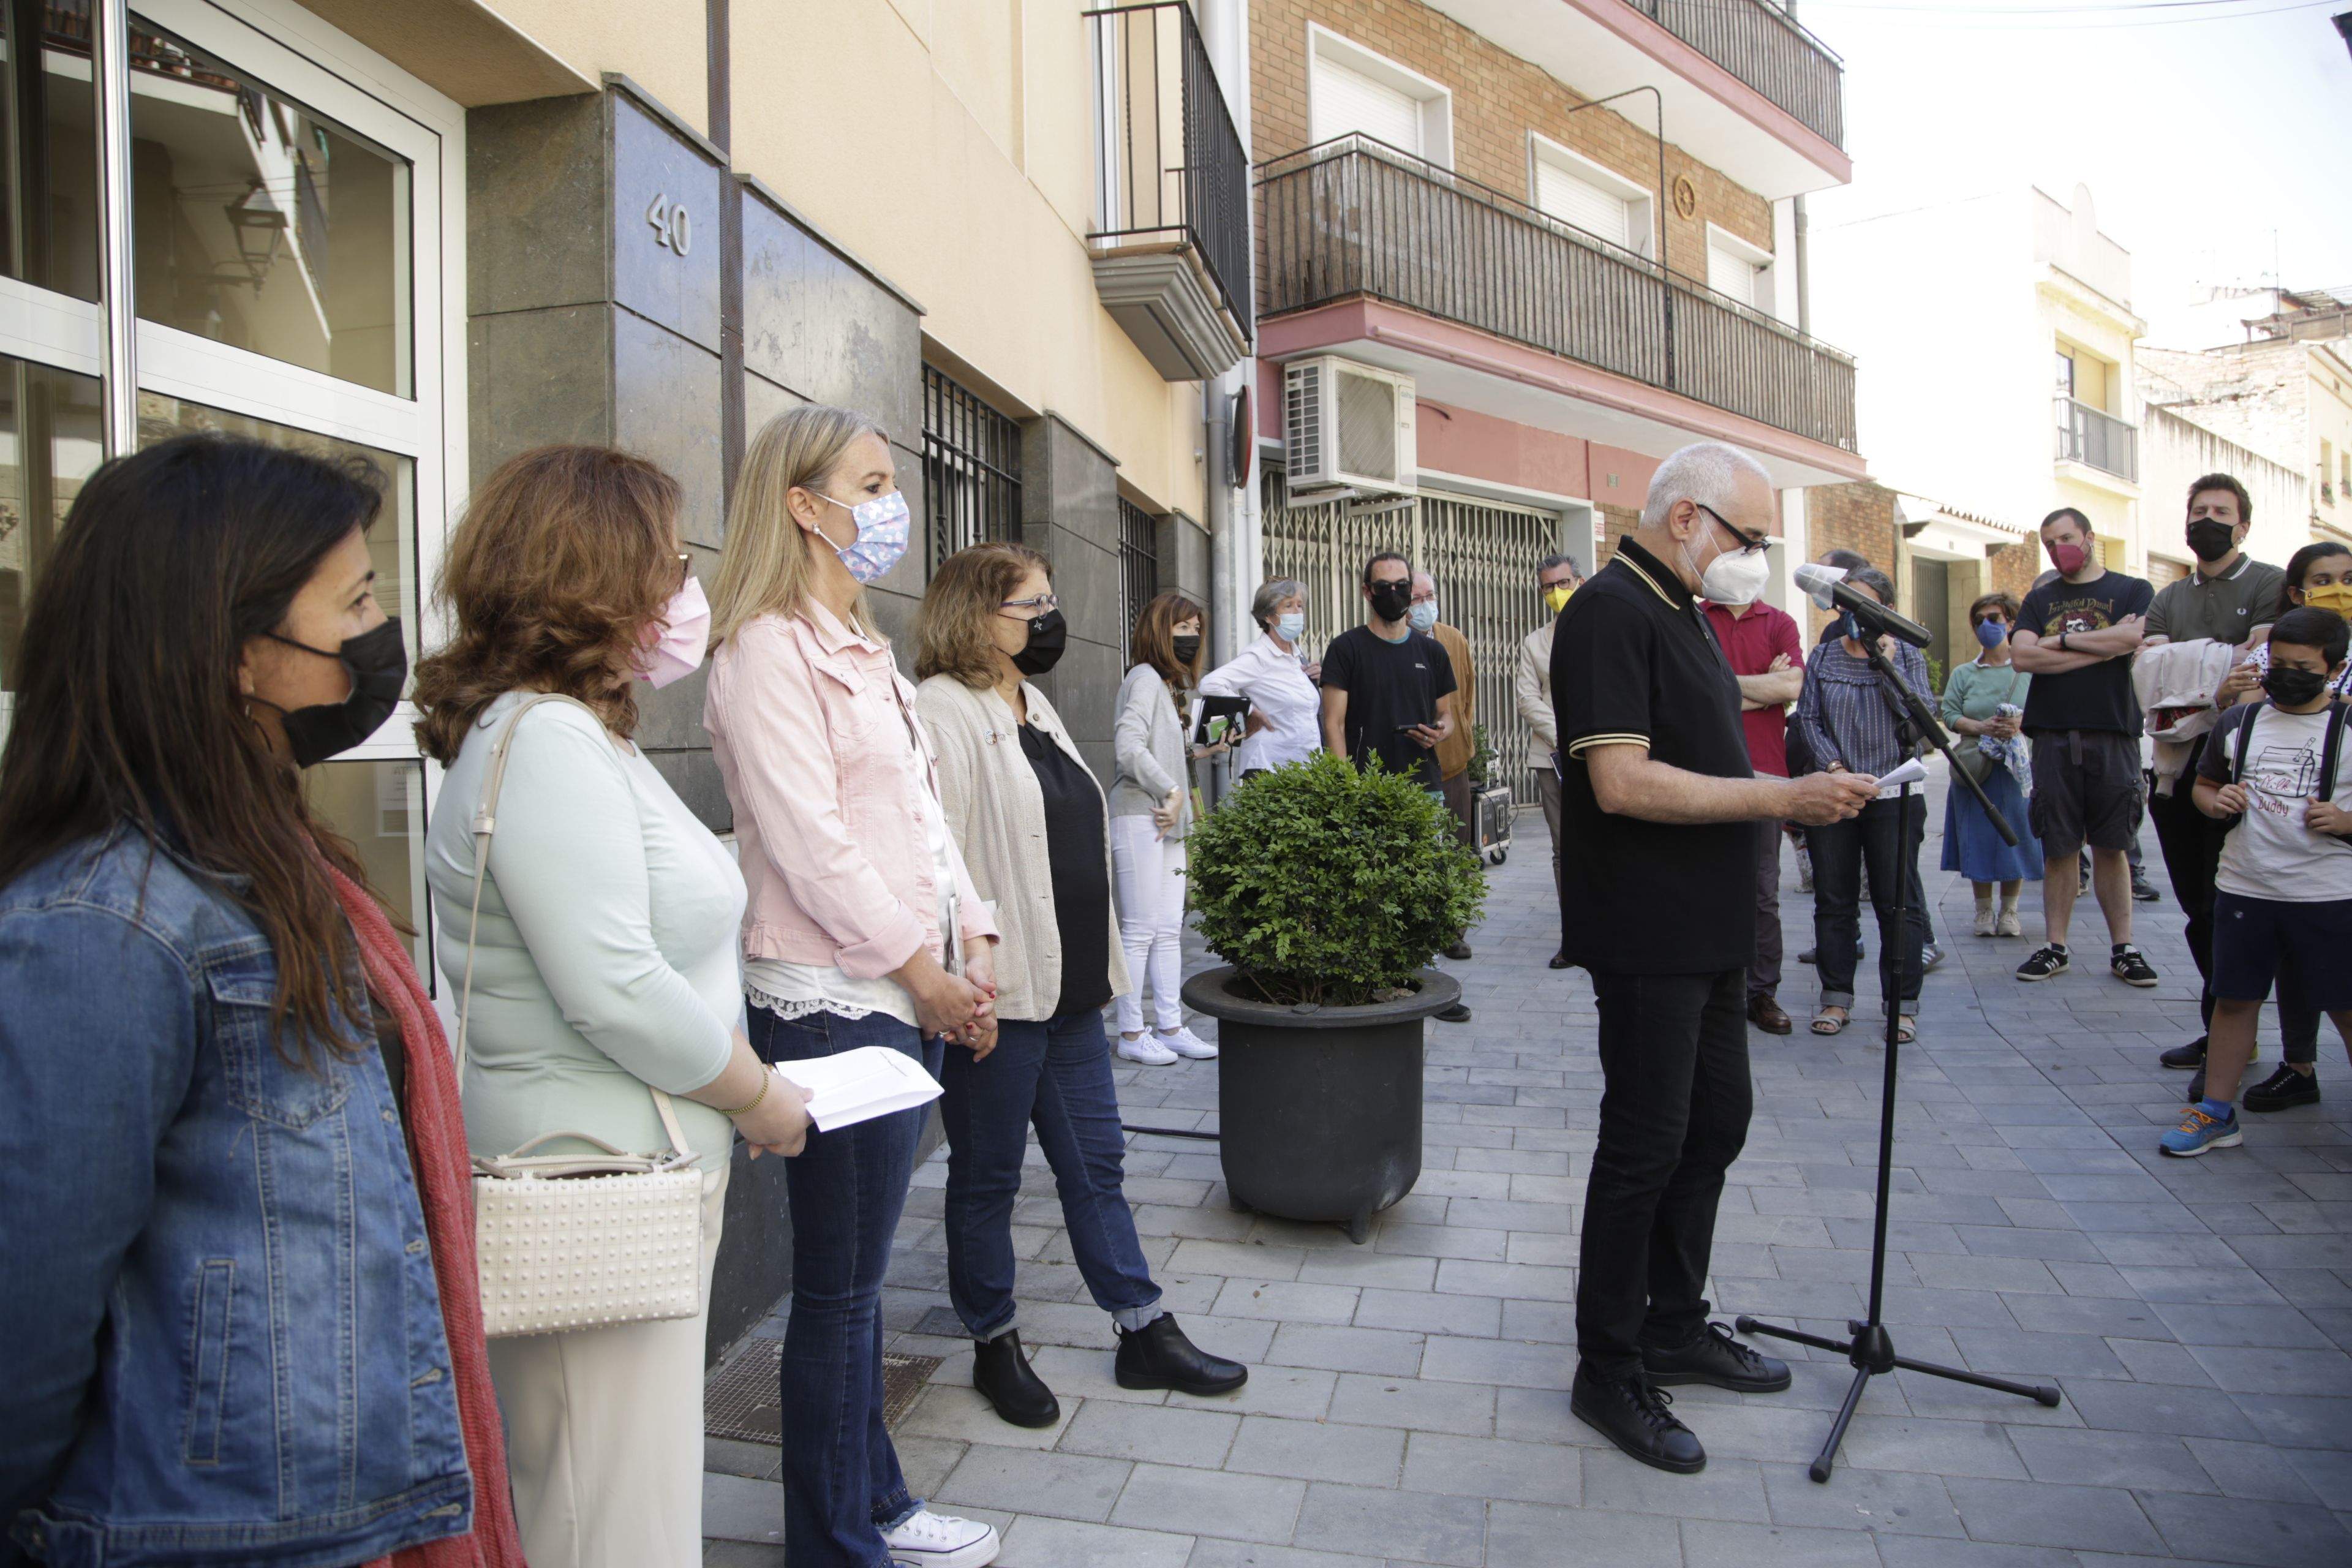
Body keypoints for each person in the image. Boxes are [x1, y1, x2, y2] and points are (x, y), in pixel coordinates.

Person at [0, 435, 524, 1566]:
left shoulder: (269, 859)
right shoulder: (105, 923)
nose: (381, 636)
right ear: (238, 654)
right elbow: (29, 1316)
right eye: (359, 600)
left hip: (346, 1505)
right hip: (218, 1532)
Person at [415, 447, 813, 1568]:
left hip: (623, 1172)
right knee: (606, 1521)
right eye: (663, 559)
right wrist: (762, 1097)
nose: (680, 589)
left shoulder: (572, 734)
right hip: (594, 1183)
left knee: (612, 1500)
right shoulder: (543, 740)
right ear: (591, 575)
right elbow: (615, 986)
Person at [703, 407, 1004, 1568]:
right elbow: (812, 843)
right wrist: (925, 974)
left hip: (902, 985)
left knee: (861, 1285)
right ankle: (832, 1542)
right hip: (829, 998)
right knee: (835, 1293)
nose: (893, 504)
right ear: (801, 505)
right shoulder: (763, 650)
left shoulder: (862, 647)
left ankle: (877, 1504)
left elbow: (922, 824)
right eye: (871, 483)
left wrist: (969, 940)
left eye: (893, 481)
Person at [1551, 442, 1879, 1474]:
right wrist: (1783, 799)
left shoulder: (1682, 608)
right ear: (1689, 518)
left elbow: (1712, 735)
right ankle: (1607, 1367)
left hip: (1706, 927)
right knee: (1644, 1144)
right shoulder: (1609, 610)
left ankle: (1674, 1322)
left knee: (1716, 1122)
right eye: (1750, 537)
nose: (1758, 558)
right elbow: (1624, 783)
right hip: (1646, 929)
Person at [915, 545, 1248, 1430]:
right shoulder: (941, 711)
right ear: (975, 615)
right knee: (986, 1180)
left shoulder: (1035, 703)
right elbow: (934, 859)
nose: (1050, 617)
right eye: (1033, 603)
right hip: (1003, 995)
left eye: (1050, 598)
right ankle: (995, 1341)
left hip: (1070, 993)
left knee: (1097, 1168)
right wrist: (961, 979)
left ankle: (1143, 1329)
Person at [2166, 606, 2352, 1156]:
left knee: (2344, 1003)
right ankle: (2216, 1112)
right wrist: (2215, 801)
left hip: (2327, 893)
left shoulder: (2347, 727)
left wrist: (2345, 822)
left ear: (2334, 669)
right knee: (2235, 999)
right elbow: (2204, 785)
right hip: (2246, 887)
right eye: (2278, 662)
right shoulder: (2238, 723)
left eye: (2302, 666)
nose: (2285, 675)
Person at [2138, 474, 2288, 1081]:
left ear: (2243, 525)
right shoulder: (2167, 595)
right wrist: (2217, 669)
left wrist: (2188, 667)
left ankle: (2237, 1033)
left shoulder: (2270, 583)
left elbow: (2256, 671)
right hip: (2175, 769)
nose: (2207, 520)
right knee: (2197, 906)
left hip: (2239, 767)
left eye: (2220, 511)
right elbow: (2148, 675)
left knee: (2230, 903)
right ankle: (2218, 1028)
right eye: (2198, 510)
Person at [2008, 508, 2162, 989]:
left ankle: (2125, 947)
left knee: (2113, 844)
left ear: (2090, 537)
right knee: (2060, 846)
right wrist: (2101, 648)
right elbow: (2022, 656)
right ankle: (2056, 945)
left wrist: (2057, 646)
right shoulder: (2041, 596)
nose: (2060, 549)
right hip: (2054, 735)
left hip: (2113, 732)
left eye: (2067, 538)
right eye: (2050, 543)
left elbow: (2135, 637)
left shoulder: (2133, 590)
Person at [1321, 550, 1471, 1023]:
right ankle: (1372, 985)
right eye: (1383, 586)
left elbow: (1447, 714)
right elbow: (1333, 724)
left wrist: (1440, 732)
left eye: (1401, 585)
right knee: (1368, 892)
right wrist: (1347, 787)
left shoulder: (1432, 652)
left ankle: (1422, 987)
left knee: (1420, 890)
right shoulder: (1346, 649)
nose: (1394, 594)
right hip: (1366, 788)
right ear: (1367, 592)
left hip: (1422, 786)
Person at [1792, 567, 1934, 1042]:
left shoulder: (1907, 655)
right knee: (1834, 899)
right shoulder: (1824, 654)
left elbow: (1920, 726)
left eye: (1866, 604)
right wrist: (1834, 769)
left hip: (1896, 793)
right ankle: (1836, 998)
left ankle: (1902, 1006)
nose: (1854, 613)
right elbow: (1808, 719)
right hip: (1837, 791)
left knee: (1899, 902)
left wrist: (1886, 662)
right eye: (1847, 602)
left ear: (1887, 611)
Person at [1107, 590, 1222, 1065]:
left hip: (1167, 816)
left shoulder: (1169, 687)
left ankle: (1171, 1026)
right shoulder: (1144, 678)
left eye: (1196, 630)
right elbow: (1128, 746)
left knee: (1169, 928)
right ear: (1159, 630)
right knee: (1139, 930)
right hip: (1142, 812)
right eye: (1182, 629)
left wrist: (1204, 751)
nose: (1192, 638)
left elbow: (1160, 752)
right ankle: (1131, 1034)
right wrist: (1172, 790)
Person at [1701, 569, 1804, 1035]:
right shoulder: (1696, 618)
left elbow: (1791, 688)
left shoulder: (1780, 622)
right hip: (1704, 773)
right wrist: (1761, 684)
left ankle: (1763, 993)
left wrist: (1726, 687)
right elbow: (1694, 692)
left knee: (1763, 891)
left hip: (1766, 775)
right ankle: (1714, 987)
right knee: (1708, 884)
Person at [1940, 591, 2043, 937]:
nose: (1986, 625)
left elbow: (2049, 711)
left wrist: (2021, 724)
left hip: (2018, 767)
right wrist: (1981, 727)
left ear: (2012, 623)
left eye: (1994, 618)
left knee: (2014, 832)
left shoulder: (2029, 669)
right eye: (1979, 620)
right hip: (1975, 762)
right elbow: (1950, 714)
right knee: (1978, 835)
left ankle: (2010, 911)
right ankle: (1983, 911)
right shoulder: (1964, 672)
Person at [1517, 554, 1581, 968]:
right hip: (1554, 757)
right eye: (1548, 587)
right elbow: (1528, 698)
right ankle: (1574, 938)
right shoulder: (1535, 643)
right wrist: (1568, 738)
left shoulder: (1607, 633)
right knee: (1565, 850)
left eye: (1564, 583)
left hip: (1609, 758)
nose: (1556, 592)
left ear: (1580, 581)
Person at [1200, 577, 1322, 778]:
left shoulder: (1297, 656)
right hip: (1269, 767)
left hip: (1306, 768)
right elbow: (1210, 684)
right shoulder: (1259, 656)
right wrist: (1250, 710)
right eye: (1288, 606)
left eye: (1300, 605)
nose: (1297, 612)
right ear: (1268, 616)